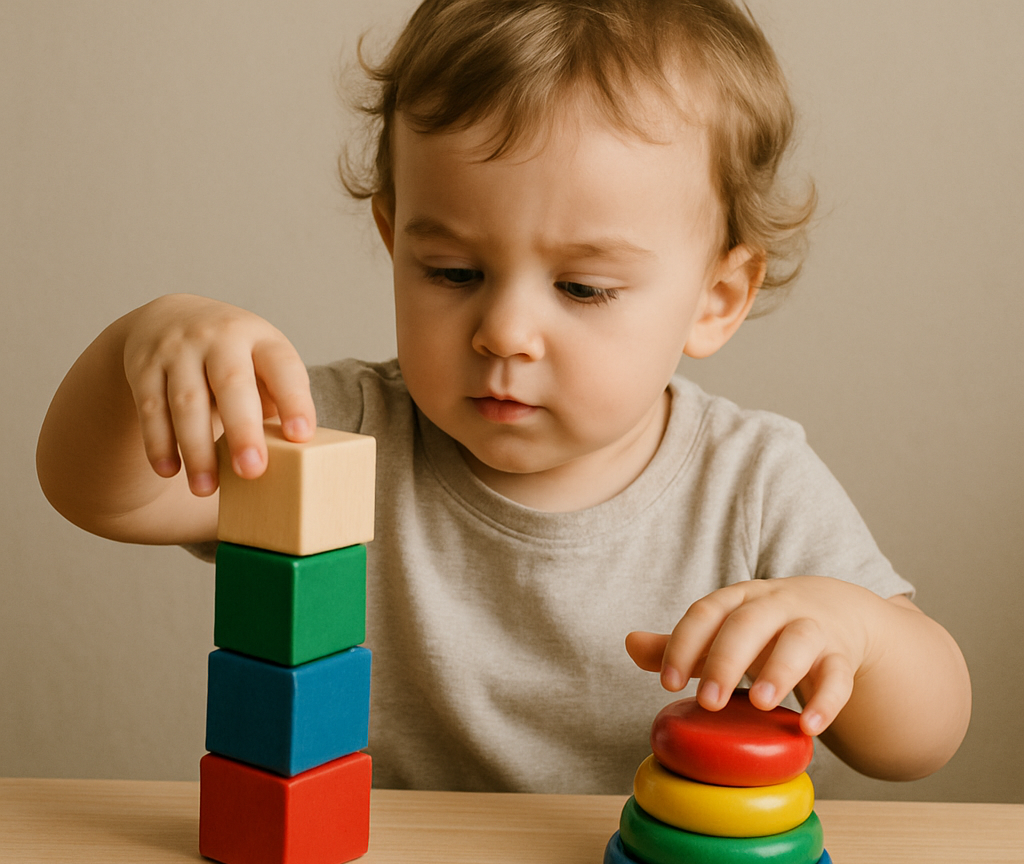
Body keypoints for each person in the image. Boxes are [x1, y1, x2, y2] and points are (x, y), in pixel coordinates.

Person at [36, 0, 970, 794]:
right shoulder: (337, 436)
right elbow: (101, 494)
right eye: (451, 270)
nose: (504, 332)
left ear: (716, 300)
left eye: (582, 289)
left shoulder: (754, 480)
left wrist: (857, 630)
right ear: (393, 236)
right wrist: (142, 342)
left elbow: (920, 742)